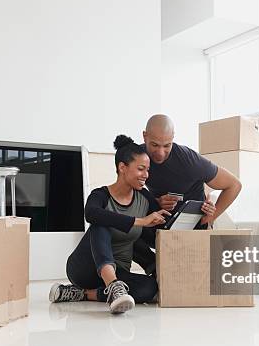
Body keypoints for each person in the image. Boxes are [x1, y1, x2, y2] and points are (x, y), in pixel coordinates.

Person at [49, 135, 170, 314]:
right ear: (122, 167)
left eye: (148, 170)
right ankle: (112, 286)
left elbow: (159, 233)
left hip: (119, 272)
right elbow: (91, 213)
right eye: (141, 169)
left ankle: (84, 294)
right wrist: (140, 221)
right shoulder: (101, 195)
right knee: (101, 223)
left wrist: (201, 213)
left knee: (149, 288)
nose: (146, 175)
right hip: (84, 268)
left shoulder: (144, 198)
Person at [132, 114, 243, 275]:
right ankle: (154, 268)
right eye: (154, 145)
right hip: (160, 225)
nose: (161, 153)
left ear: (173, 138)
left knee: (192, 273)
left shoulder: (189, 160)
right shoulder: (137, 157)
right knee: (120, 226)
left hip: (192, 228)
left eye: (167, 145)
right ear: (144, 136)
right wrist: (156, 202)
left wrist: (211, 217)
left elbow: (234, 185)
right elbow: (127, 197)